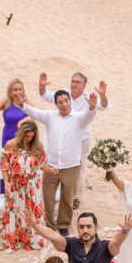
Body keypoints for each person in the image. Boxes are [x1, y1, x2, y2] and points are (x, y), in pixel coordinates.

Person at [21, 88, 98, 232]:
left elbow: (89, 116)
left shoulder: (79, 118)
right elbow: (34, 112)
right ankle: (49, 225)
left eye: (66, 101)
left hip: (71, 166)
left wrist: (92, 106)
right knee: (48, 198)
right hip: (51, 166)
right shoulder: (50, 116)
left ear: (70, 101)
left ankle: (63, 225)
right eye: (60, 102)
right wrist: (22, 105)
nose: (64, 104)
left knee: (67, 199)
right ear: (56, 104)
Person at [38, 73, 110, 210]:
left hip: (82, 139)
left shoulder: (89, 97)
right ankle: (61, 193)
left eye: (77, 82)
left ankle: (75, 197)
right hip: (63, 138)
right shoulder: (64, 94)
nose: (74, 84)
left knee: (79, 169)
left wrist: (103, 95)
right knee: (59, 166)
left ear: (84, 85)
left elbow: (104, 106)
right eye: (72, 81)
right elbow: (45, 95)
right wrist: (42, 86)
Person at [0, 119, 56, 251]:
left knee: (32, 211)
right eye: (27, 136)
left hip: (32, 185)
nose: (29, 139)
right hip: (16, 184)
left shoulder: (37, 146)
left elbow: (42, 165)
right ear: (21, 134)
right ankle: (14, 240)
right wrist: (6, 181)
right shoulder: (10, 145)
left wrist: (51, 170)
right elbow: (4, 166)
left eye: (32, 136)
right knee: (15, 211)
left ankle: (32, 240)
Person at [0, 77, 30, 152]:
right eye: (15, 89)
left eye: (20, 89)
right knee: (7, 161)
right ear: (11, 91)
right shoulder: (6, 102)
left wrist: (26, 119)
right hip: (8, 136)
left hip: (22, 137)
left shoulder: (26, 102)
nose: (18, 92)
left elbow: (34, 116)